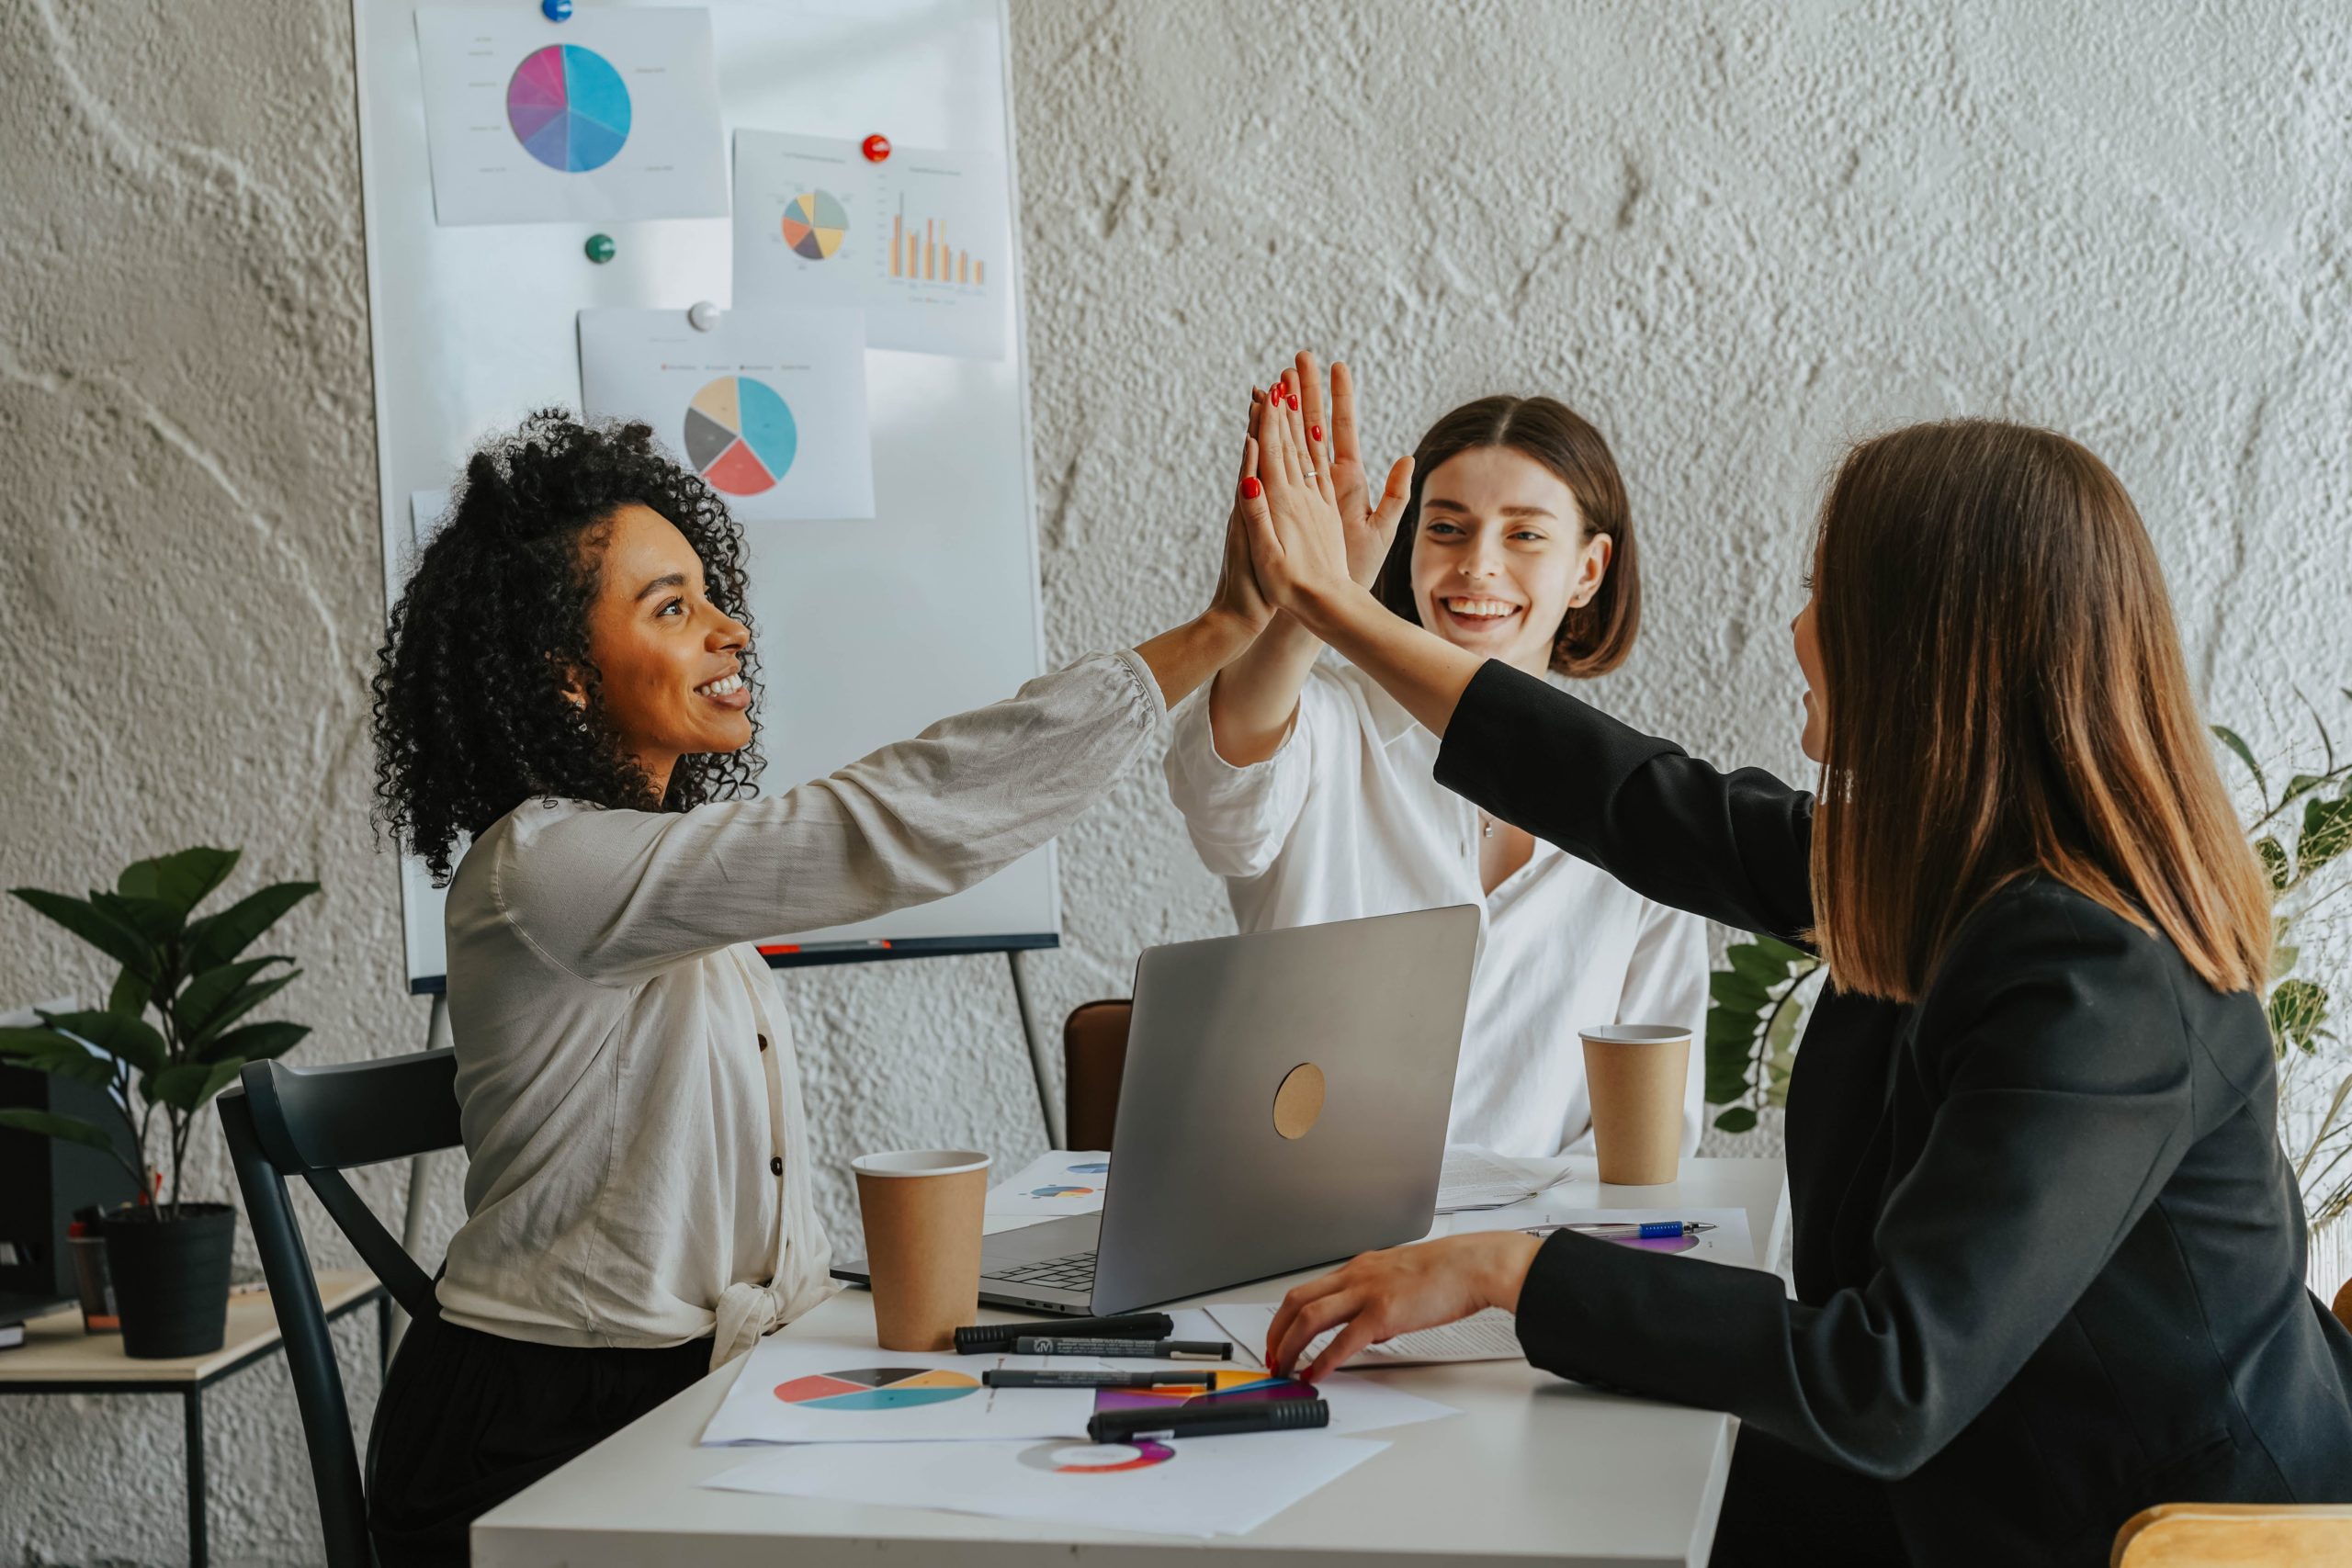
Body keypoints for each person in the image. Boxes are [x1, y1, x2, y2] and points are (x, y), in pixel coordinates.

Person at [1231, 390, 2352, 1565]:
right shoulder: (1945, 870)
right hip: (1982, 1465)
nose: (1800, 630)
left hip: (2139, 1532)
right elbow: (1633, 799)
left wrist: (1511, 1270)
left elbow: (1883, 1379)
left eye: (1827, 594)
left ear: (1928, 645)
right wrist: (1333, 610)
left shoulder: (2096, 972)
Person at [361, 410, 1273, 1563]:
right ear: (565, 679)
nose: (729, 630)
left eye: (709, 594)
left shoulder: (650, 870)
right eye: (672, 609)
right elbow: (878, 830)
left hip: (686, 1392)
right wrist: (1219, 632)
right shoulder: (546, 867)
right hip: (541, 1433)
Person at [1163, 357, 1706, 1157]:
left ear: (1588, 570)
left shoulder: (1643, 803)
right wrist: (1318, 597)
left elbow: (1652, 1131)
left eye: (1524, 534)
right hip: (1303, 1246)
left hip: (1528, 1263)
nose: (1478, 564)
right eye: (1446, 527)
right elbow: (1222, 796)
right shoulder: (1326, 724)